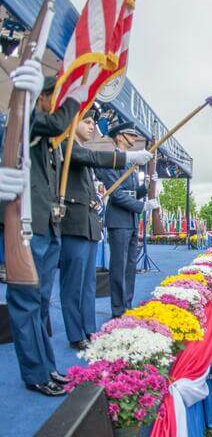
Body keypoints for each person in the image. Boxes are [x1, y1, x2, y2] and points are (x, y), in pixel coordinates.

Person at [6, 62, 86, 396]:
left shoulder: (44, 136)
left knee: (39, 303)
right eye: (56, 97)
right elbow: (55, 123)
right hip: (26, 225)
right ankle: (35, 372)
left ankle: (47, 366)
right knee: (26, 302)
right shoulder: (27, 121)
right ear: (44, 98)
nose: (58, 104)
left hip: (46, 226)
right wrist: (78, 96)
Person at [58, 110, 153, 349]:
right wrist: (128, 158)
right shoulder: (67, 146)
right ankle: (75, 333)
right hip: (74, 223)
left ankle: (89, 329)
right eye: (87, 121)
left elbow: (90, 187)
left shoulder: (82, 152)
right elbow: (92, 159)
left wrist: (96, 200)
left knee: (88, 282)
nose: (92, 127)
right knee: (73, 283)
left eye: (93, 122)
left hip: (90, 223)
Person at [95, 121, 159, 318]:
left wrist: (145, 186)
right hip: (118, 220)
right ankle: (117, 310)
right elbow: (117, 195)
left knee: (130, 266)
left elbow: (131, 192)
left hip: (130, 220)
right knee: (119, 266)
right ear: (119, 137)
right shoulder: (111, 161)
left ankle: (127, 305)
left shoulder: (130, 163)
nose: (134, 138)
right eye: (130, 135)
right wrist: (142, 206)